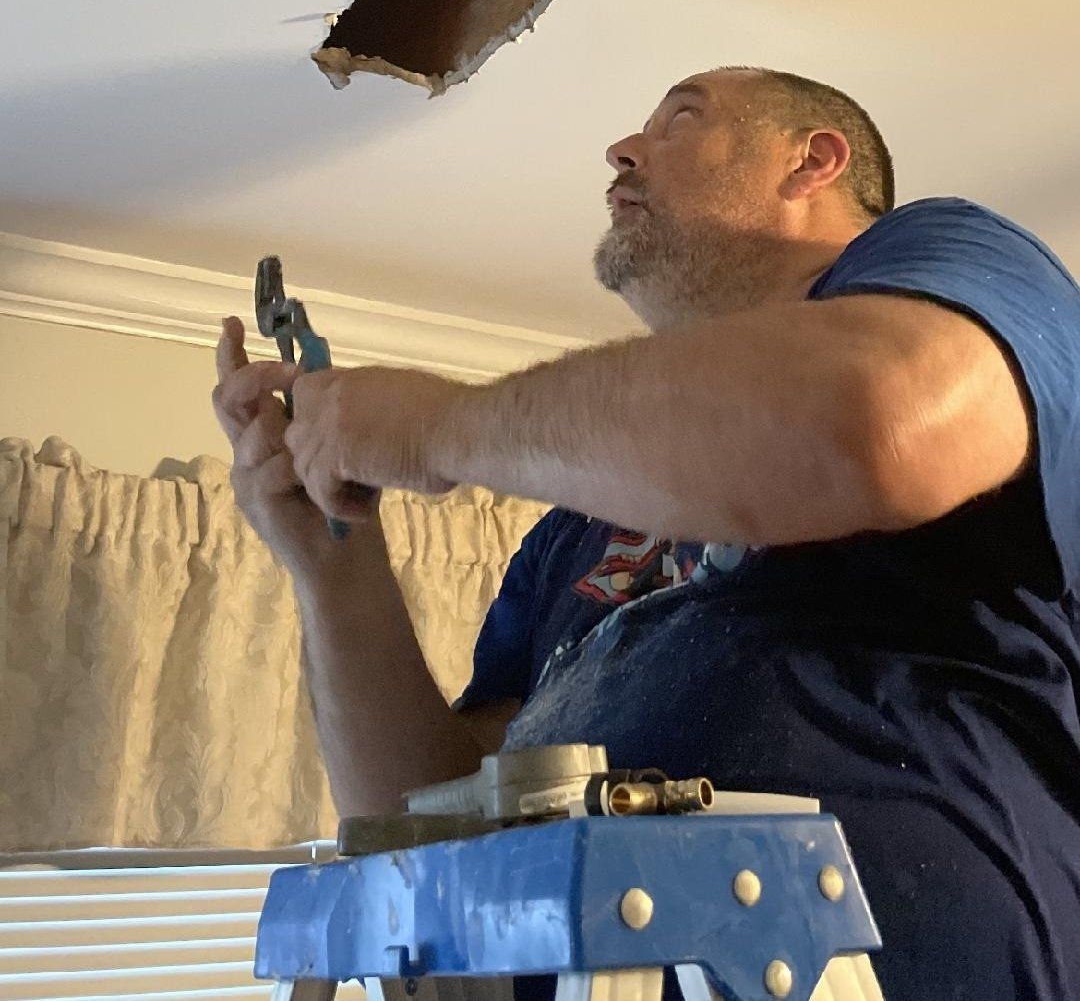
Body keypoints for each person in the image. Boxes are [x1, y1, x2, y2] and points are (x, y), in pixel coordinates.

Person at [213, 67, 1080, 1000]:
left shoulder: (957, 257)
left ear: (813, 161)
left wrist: (437, 424)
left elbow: (874, 418)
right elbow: (428, 837)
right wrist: (334, 565)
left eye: (680, 119)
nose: (622, 150)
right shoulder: (567, 539)